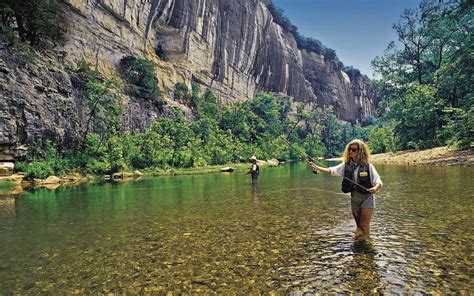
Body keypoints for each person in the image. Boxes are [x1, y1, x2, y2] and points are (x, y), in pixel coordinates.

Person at [308, 139, 382, 242]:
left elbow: (378, 181)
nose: (351, 151)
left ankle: (367, 247)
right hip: (354, 199)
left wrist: (375, 188)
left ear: (360, 151)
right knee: (359, 226)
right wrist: (317, 167)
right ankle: (362, 243)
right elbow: (331, 170)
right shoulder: (345, 165)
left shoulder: (368, 166)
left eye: (354, 149)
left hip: (367, 198)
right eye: (350, 149)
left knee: (364, 225)